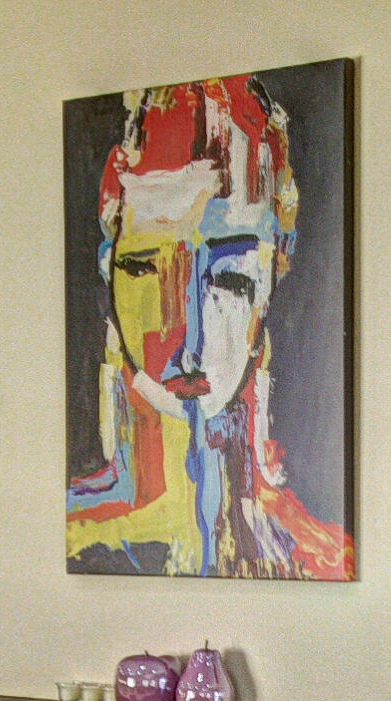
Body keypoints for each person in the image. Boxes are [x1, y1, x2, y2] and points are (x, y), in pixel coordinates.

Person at [66, 74, 352, 579]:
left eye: (230, 281)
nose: (188, 342)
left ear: (271, 279)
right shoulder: (74, 542)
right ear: (107, 265)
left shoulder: (319, 558)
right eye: (144, 268)